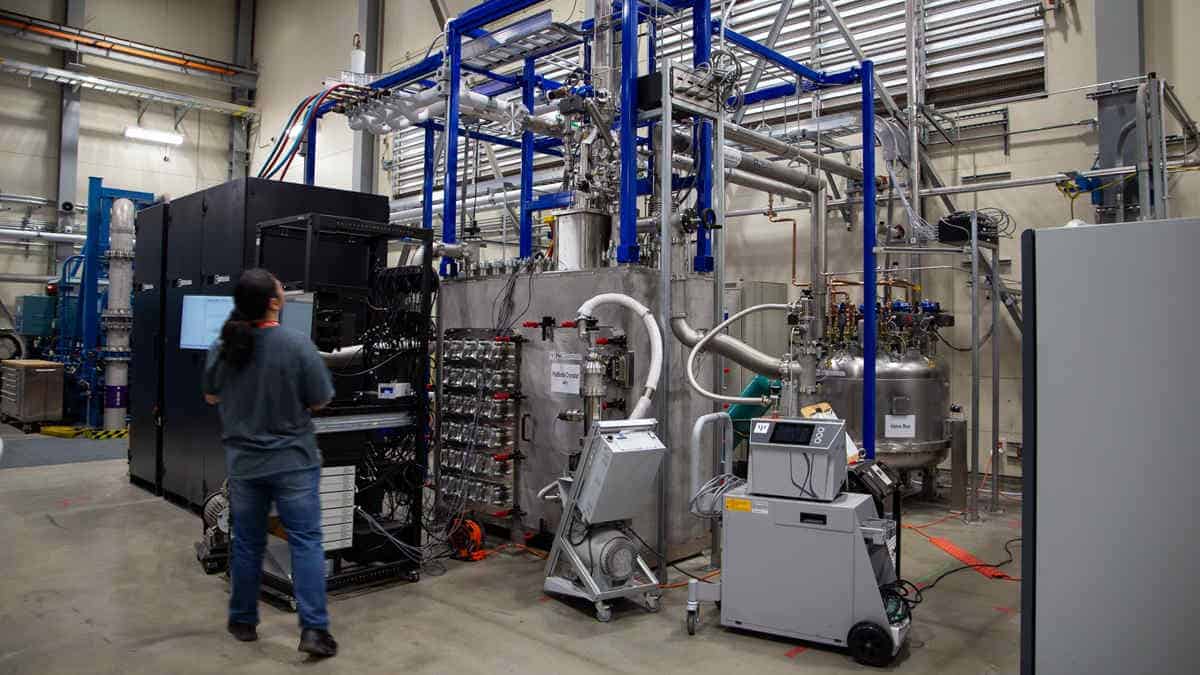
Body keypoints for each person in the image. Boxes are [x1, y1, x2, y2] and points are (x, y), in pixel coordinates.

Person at [202, 268, 338, 658]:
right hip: (293, 461)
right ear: (274, 302)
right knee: (306, 541)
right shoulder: (296, 345)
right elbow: (319, 399)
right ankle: (313, 631)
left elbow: (211, 397)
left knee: (246, 541)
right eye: (281, 287)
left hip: (245, 464)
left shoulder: (224, 346)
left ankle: (243, 619)